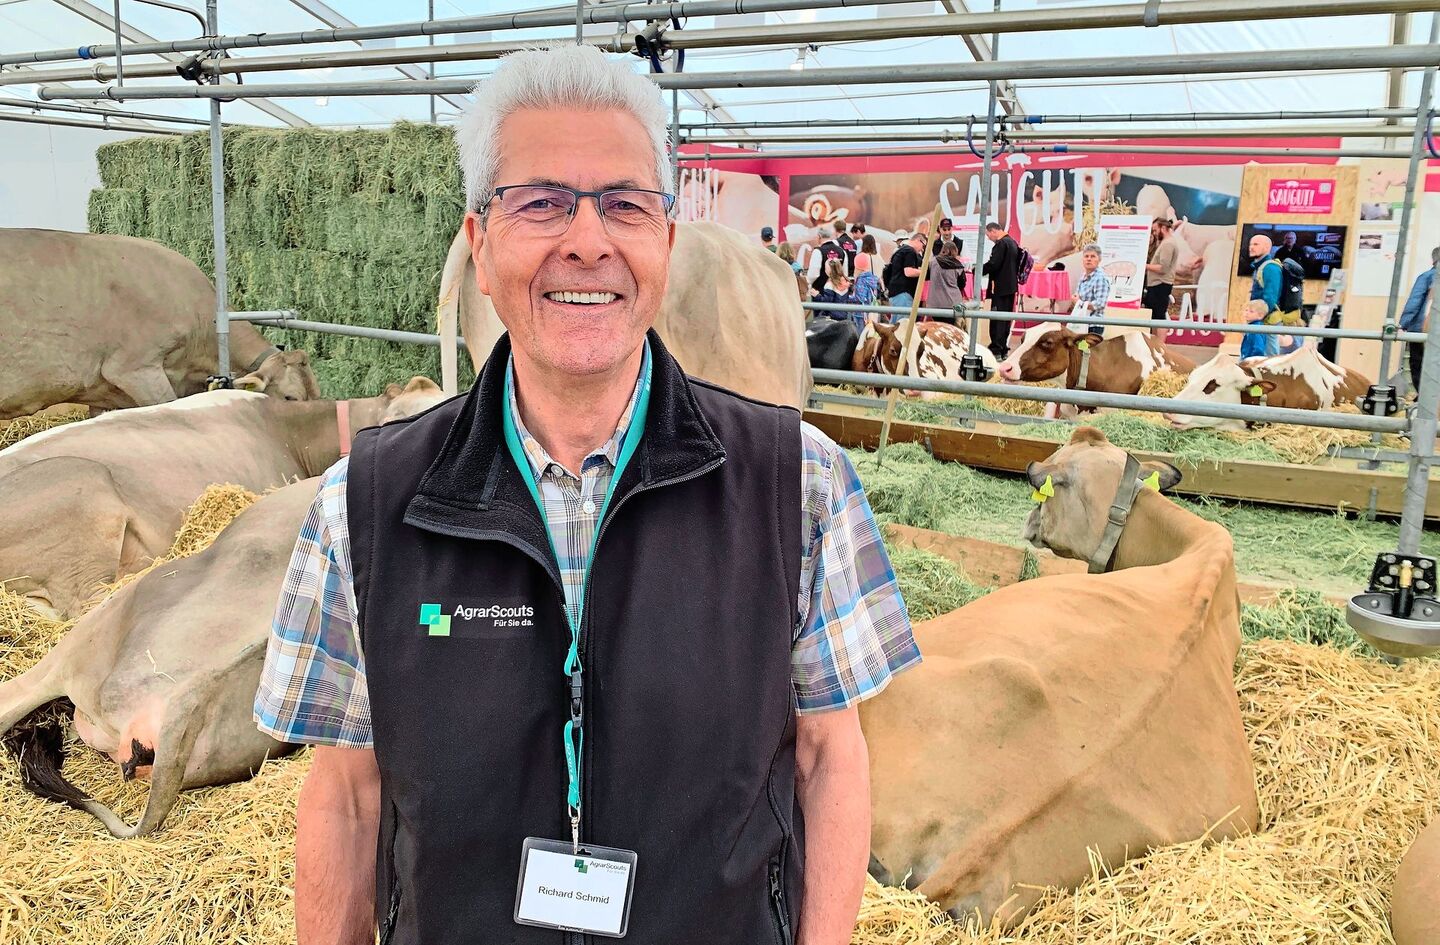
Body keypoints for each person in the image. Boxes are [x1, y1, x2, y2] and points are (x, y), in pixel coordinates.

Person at [252, 44, 919, 945]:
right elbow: (345, 793)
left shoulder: (799, 484)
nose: (588, 241)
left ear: (666, 243)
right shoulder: (363, 507)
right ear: (480, 243)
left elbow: (829, 756)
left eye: (625, 205)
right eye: (541, 203)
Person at [1401, 246, 1439, 393]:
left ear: (1433, 260)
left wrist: (1403, 323)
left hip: (1420, 329)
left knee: (1418, 363)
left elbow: (1415, 301)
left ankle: (1422, 395)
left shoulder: (1427, 277)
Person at [981, 221, 1019, 358]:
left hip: (1000, 288)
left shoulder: (1001, 244)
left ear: (993, 231)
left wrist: (978, 270)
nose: (988, 238)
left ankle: (996, 349)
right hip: (1011, 287)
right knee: (1006, 319)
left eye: (988, 235)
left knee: (997, 319)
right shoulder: (1012, 242)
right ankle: (1003, 349)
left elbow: (993, 264)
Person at [1244, 233, 1284, 359]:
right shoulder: (1260, 267)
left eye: (1256, 244)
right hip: (1259, 319)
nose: (1251, 247)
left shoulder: (1270, 268)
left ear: (1267, 247)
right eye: (1251, 244)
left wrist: (1259, 316)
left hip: (1267, 321)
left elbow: (1270, 297)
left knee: (1269, 357)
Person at [1143, 217, 1178, 340]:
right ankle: (1155, 342)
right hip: (1157, 284)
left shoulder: (1168, 244)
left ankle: (1161, 344)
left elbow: (1163, 268)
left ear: (1163, 228)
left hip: (1160, 284)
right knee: (1154, 315)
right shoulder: (1166, 243)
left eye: (1155, 230)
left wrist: (1144, 266)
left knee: (1159, 315)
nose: (1154, 233)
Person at [1071, 242, 1112, 335]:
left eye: (1093, 256)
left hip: (1093, 325)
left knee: (1086, 346)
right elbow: (1077, 297)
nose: (1089, 259)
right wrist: (1075, 299)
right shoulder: (1083, 276)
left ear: (1099, 260)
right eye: (1086, 256)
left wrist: (1079, 302)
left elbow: (1100, 304)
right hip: (1081, 322)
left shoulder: (1100, 278)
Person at [885, 231, 927, 313]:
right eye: (923, 246)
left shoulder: (900, 250)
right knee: (903, 320)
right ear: (918, 240)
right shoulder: (910, 251)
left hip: (895, 292)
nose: (922, 249)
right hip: (903, 294)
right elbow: (908, 272)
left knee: (897, 320)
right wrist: (924, 272)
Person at [926, 241, 967, 320]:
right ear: (955, 251)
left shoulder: (933, 262)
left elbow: (927, 277)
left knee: (938, 325)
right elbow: (962, 284)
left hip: (935, 303)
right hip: (955, 303)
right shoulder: (958, 265)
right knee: (953, 326)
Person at [812, 260, 860, 325]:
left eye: (825, 268)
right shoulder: (846, 282)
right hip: (845, 316)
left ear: (829, 270)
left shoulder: (830, 284)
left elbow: (826, 302)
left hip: (831, 317)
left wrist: (817, 295)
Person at [852, 251, 882, 316]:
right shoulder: (872, 278)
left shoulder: (861, 280)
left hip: (861, 313)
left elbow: (860, 299)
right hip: (871, 311)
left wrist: (847, 297)